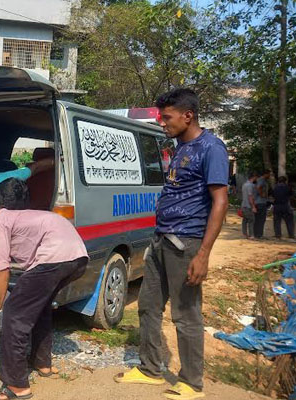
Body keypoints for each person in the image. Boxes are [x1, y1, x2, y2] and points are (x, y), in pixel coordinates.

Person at [115, 88, 228, 400]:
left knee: (185, 315)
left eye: (167, 117)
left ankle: (192, 383)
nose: (162, 123)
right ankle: (151, 369)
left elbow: (220, 201)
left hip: (187, 242)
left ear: (187, 115)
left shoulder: (211, 148)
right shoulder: (179, 147)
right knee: (148, 306)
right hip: (162, 239)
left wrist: (203, 253)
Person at [0, 180, 88, 400]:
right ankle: (42, 363)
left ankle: (17, 385)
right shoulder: (19, 217)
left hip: (54, 259)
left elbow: (1, 270)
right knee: (41, 307)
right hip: (78, 258)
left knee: (14, 315)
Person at [273, 176, 296, 240]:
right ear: (285, 181)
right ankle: (291, 234)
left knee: (277, 221)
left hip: (277, 206)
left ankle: (278, 235)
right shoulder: (288, 188)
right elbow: (292, 196)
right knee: (289, 221)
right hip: (286, 206)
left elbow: (272, 195)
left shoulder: (275, 188)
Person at [253, 170, 271, 239]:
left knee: (258, 219)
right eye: (269, 174)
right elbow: (258, 187)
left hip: (259, 202)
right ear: (265, 174)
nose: (269, 176)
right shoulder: (262, 180)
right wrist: (262, 195)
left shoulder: (261, 180)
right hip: (260, 202)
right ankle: (259, 234)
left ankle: (257, 234)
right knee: (261, 219)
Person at [241, 172, 258, 239]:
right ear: (254, 177)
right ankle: (251, 235)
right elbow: (250, 196)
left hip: (243, 205)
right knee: (251, 220)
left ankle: (244, 234)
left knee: (245, 220)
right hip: (248, 206)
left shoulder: (244, 184)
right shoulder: (251, 186)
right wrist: (253, 206)